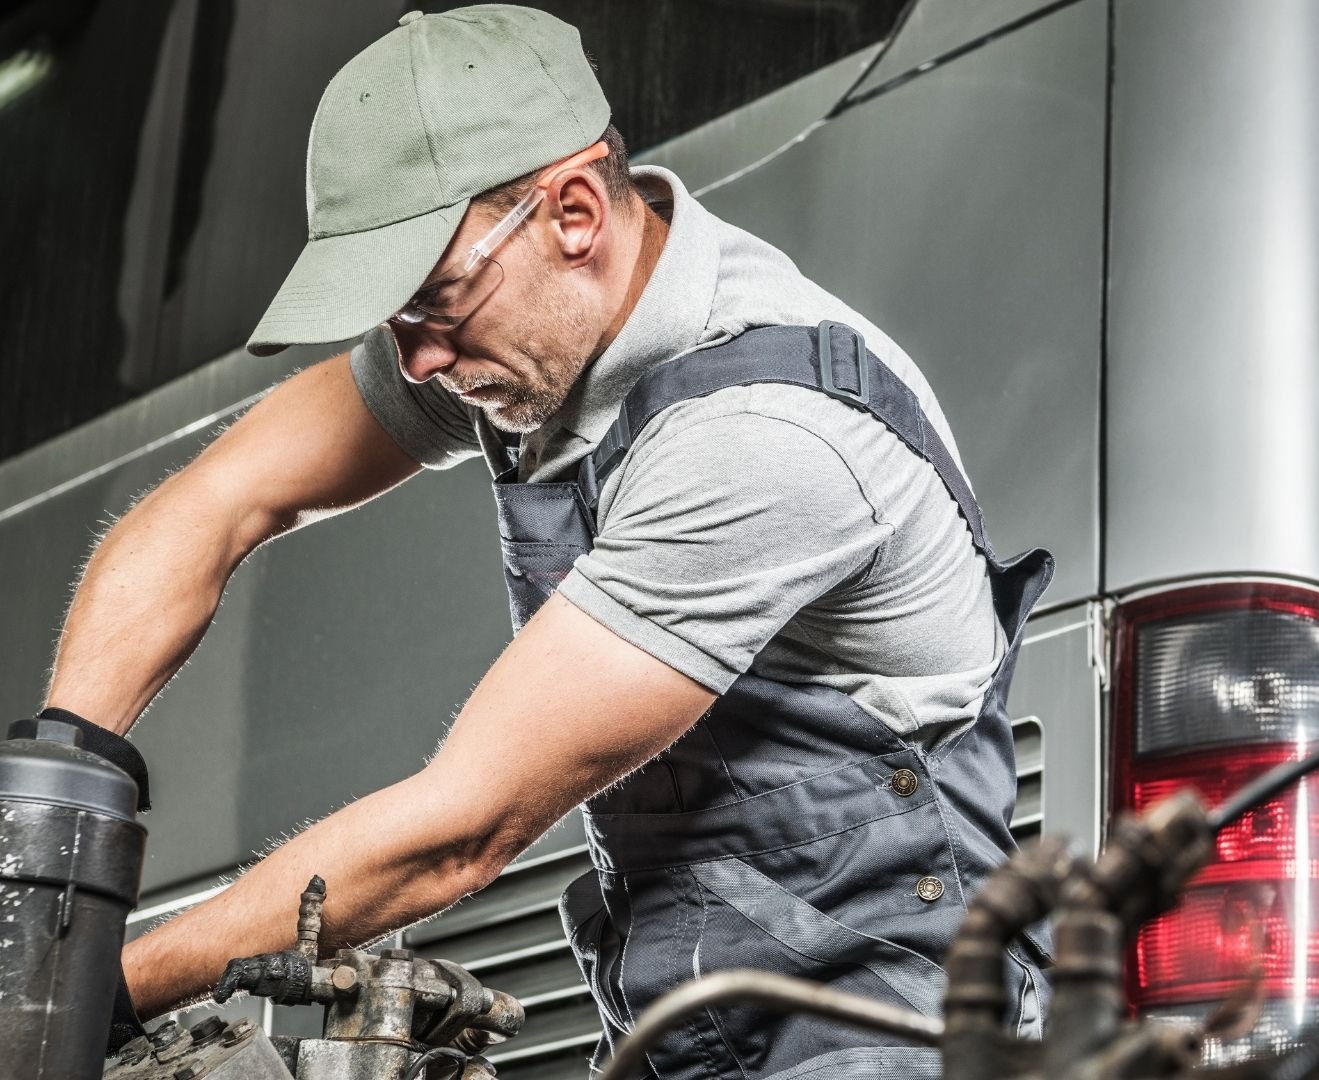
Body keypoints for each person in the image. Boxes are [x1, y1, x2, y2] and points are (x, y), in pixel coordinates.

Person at [38, 6, 1050, 1075]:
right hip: (689, 1035)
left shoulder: (760, 437)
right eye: (393, 318)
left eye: (432, 300)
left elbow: (459, 831)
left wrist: (96, 990)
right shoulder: (518, 334)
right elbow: (217, 505)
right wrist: (61, 787)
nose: (416, 362)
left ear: (571, 212)